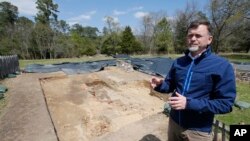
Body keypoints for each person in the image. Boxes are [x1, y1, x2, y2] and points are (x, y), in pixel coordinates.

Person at [150, 20, 236, 141]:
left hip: (198, 131)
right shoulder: (179, 62)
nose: (193, 38)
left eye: (198, 35)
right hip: (174, 123)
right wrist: (160, 85)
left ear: (209, 39)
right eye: (190, 35)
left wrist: (188, 103)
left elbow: (225, 104)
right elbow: (170, 85)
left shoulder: (222, 66)